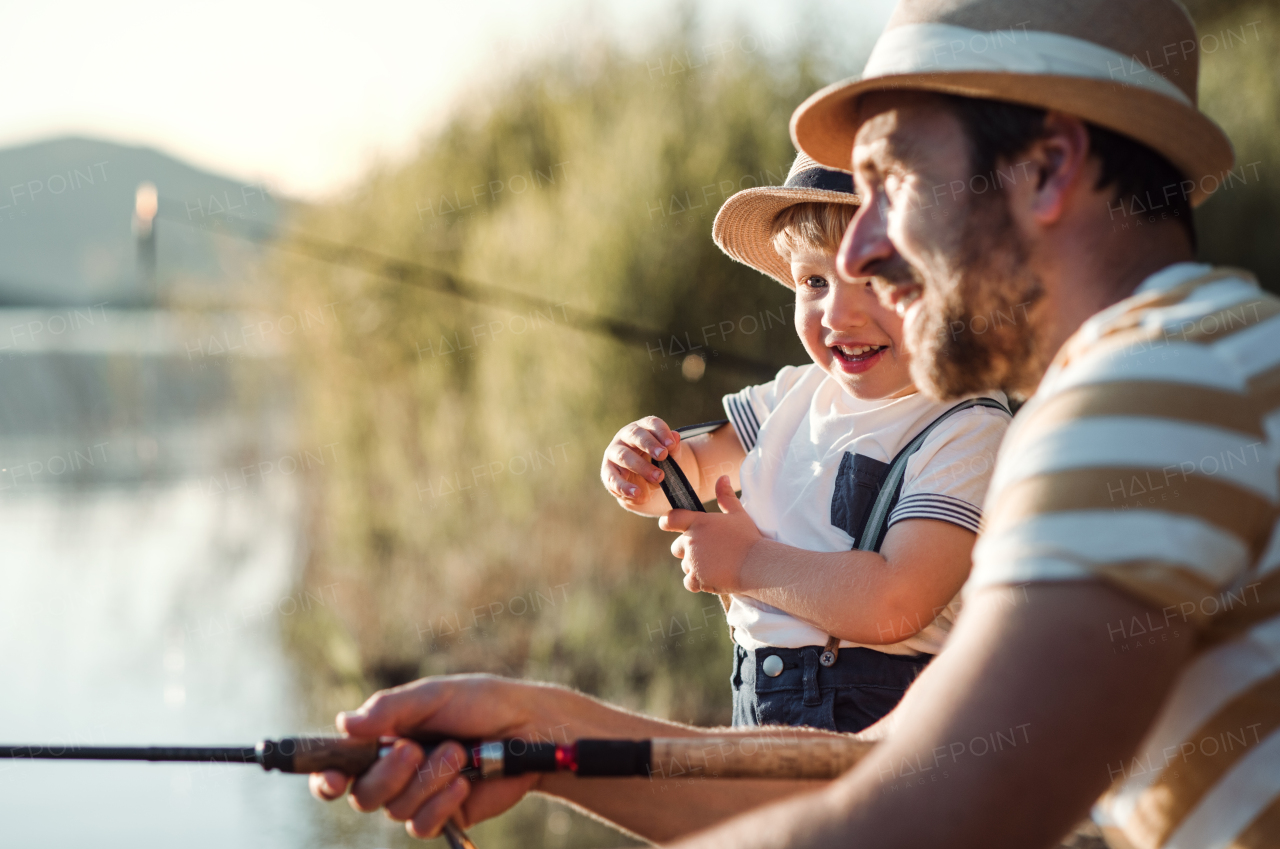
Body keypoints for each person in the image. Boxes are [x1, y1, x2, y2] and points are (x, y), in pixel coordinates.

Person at [309, 1, 1280, 846]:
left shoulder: (1153, 391)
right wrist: (544, 733)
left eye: (890, 182)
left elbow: (937, 821)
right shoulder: (1194, 366)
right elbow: (881, 773)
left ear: (1045, 168)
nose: (860, 245)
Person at [600, 152, 1010, 733]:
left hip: (883, 716)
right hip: (760, 693)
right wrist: (643, 467)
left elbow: (898, 601)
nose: (838, 313)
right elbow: (690, 472)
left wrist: (746, 562)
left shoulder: (965, 427)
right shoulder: (793, 395)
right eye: (814, 281)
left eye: (875, 277)